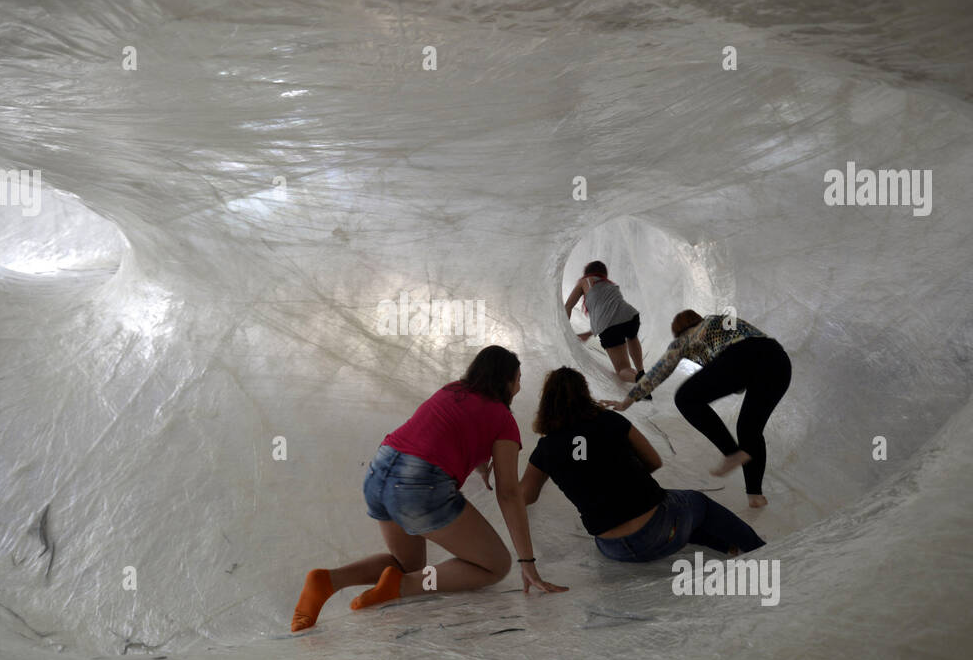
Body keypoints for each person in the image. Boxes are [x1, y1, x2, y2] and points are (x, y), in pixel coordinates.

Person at [291, 346, 567, 632]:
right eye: (518, 378)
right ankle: (402, 586)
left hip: (379, 472)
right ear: (507, 381)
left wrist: (480, 463)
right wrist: (528, 562)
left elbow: (441, 431)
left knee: (407, 562)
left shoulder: (451, 390)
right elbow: (509, 493)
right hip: (418, 486)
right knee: (496, 565)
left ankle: (328, 580)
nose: (520, 386)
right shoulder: (503, 420)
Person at [521, 367, 765, 562]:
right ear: (586, 394)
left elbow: (525, 496)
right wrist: (626, 475)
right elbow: (654, 461)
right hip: (661, 530)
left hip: (613, 548)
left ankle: (727, 546)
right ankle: (758, 548)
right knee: (696, 503)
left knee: (675, 519)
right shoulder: (610, 421)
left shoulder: (545, 449)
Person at [604, 310, 791, 508]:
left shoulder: (687, 337)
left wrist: (627, 401)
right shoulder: (719, 321)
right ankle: (755, 495)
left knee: (685, 398)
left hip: (742, 355)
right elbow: (744, 355)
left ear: (679, 331)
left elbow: (659, 371)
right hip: (777, 360)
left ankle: (731, 452)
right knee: (749, 429)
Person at [564, 261, 645, 387]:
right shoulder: (609, 285)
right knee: (632, 337)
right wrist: (588, 333)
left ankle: (639, 379)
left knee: (622, 370)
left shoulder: (584, 281)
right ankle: (641, 371)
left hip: (610, 328)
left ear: (587, 272)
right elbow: (613, 312)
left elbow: (568, 306)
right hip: (631, 317)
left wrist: (564, 330)